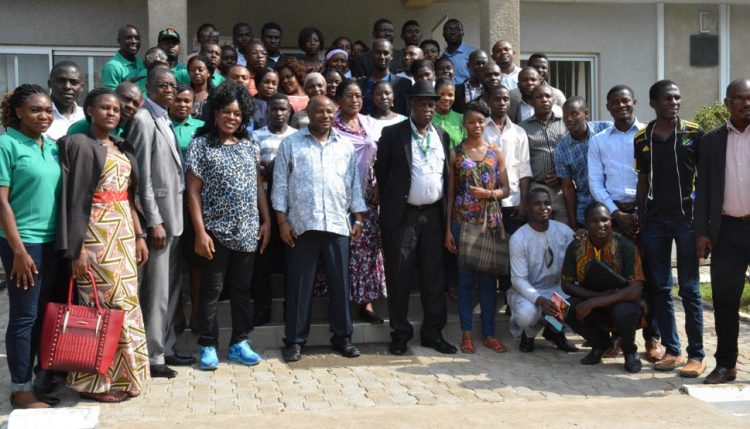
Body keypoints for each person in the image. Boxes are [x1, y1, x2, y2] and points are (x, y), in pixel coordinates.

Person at [57, 87, 150, 402]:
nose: (112, 113)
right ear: (89, 112)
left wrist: (139, 235)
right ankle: (95, 383)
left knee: (126, 305)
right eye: (105, 108)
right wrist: (77, 248)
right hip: (95, 237)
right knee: (101, 308)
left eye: (116, 109)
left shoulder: (122, 146)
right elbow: (72, 201)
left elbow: (129, 195)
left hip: (122, 233)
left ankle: (126, 378)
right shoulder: (77, 145)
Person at [272, 95, 366, 362]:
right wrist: (282, 221)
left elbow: (353, 184)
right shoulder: (290, 144)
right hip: (302, 226)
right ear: (308, 114)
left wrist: (358, 218)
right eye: (319, 111)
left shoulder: (345, 146)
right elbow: (279, 185)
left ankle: (343, 338)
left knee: (340, 285)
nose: (324, 116)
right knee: (300, 287)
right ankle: (294, 341)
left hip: (338, 224)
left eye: (329, 111)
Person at [185, 82, 271, 371]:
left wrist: (267, 220)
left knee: (241, 290)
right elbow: (192, 192)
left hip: (248, 231)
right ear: (215, 113)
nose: (231, 118)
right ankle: (208, 345)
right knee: (212, 290)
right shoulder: (201, 145)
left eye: (236, 114)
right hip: (214, 232)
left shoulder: (249, 146)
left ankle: (239, 343)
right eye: (226, 112)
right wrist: (199, 232)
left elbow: (258, 187)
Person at [375, 80, 457, 356]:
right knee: (399, 276)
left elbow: (447, 178)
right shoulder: (392, 134)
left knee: (434, 277)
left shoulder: (442, 136)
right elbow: (383, 176)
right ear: (410, 104)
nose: (427, 109)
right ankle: (400, 333)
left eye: (431, 104)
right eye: (421, 103)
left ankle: (433, 333)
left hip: (433, 215)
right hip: (403, 216)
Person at [588, 85, 662, 361]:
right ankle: (619, 338)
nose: (621, 106)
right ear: (608, 107)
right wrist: (616, 214)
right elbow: (595, 181)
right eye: (615, 103)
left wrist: (640, 214)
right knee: (615, 279)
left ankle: (653, 338)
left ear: (635, 102)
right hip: (613, 216)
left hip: (646, 214)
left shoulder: (649, 135)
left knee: (651, 277)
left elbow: (657, 176)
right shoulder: (599, 141)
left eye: (625, 101)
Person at [635, 80, 705, 376]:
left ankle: (696, 355)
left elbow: (706, 179)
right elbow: (642, 180)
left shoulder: (694, 133)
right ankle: (673, 350)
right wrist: (641, 219)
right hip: (655, 222)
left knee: (689, 288)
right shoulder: (642, 137)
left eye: (677, 98)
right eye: (667, 99)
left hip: (686, 220)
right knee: (661, 287)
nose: (674, 103)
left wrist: (704, 221)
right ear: (653, 103)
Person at [129, 66, 192, 379]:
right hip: (159, 223)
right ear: (149, 87)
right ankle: (153, 356)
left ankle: (167, 347)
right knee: (155, 292)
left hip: (175, 219)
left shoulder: (165, 117)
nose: (169, 90)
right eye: (162, 85)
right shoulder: (143, 119)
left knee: (171, 288)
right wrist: (152, 221)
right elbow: (141, 177)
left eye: (172, 85)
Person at [0, 84, 61, 409]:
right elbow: (1, 203)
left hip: (53, 244)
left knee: (42, 315)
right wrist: (19, 252)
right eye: (37, 110)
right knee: (24, 317)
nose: (44, 116)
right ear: (18, 111)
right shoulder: (6, 144)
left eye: (48, 110)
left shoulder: (50, 146)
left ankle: (38, 380)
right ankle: (21, 390)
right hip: (24, 245)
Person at [696, 78, 750, 384]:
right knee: (725, 301)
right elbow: (702, 189)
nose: (747, 103)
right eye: (740, 99)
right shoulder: (712, 141)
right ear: (727, 104)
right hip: (726, 231)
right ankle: (726, 364)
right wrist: (701, 232)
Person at [445, 100, 510, 354]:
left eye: (481, 121)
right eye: (471, 121)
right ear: (464, 124)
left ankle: (490, 334)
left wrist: (487, 193)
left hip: (490, 224)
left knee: (488, 281)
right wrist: (448, 229)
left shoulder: (496, 152)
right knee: (465, 281)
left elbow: (507, 190)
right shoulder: (456, 153)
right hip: (463, 223)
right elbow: (450, 194)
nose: (477, 126)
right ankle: (466, 334)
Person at [562, 202, 645, 373]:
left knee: (624, 312)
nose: (601, 225)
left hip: (621, 301)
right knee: (565, 308)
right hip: (592, 297)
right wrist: (592, 297)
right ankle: (599, 345)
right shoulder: (576, 247)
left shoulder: (626, 246)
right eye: (594, 221)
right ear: (585, 224)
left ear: (611, 222)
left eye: (605, 220)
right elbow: (566, 284)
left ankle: (630, 351)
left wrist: (593, 302)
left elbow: (635, 290)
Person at [334, 80, 387, 323]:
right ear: (339, 98)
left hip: (368, 195)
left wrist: (378, 185)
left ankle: (366, 303)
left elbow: (381, 156)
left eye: (358, 96)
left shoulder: (370, 123)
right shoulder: (331, 125)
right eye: (349, 95)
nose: (354, 100)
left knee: (367, 250)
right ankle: (341, 301)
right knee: (343, 248)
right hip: (339, 196)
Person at [507, 188, 577, 353]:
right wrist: (540, 300)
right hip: (529, 291)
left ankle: (554, 332)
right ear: (528, 208)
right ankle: (529, 335)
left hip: (557, 288)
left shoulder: (564, 231)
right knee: (526, 315)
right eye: (537, 204)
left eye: (547, 203)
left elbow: (576, 263)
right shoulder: (519, 238)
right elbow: (518, 279)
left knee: (579, 303)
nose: (543, 207)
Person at [250, 93, 297, 325]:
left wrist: (275, 168)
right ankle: (262, 309)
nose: (278, 113)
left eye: (283, 109)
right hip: (263, 204)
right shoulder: (255, 136)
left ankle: (292, 308)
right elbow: (255, 168)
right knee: (263, 260)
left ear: (290, 112)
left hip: (292, 204)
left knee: (292, 260)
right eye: (274, 109)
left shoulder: (297, 137)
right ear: (267, 111)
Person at [168, 84, 204, 328]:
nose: (182, 105)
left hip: (195, 201)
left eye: (187, 101)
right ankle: (177, 311)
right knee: (173, 262)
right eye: (178, 100)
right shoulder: (163, 125)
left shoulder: (201, 129)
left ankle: (197, 313)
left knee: (195, 262)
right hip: (169, 200)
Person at [554, 97, 611, 229]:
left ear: (586, 114)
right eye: (565, 116)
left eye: (574, 114)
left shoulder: (605, 129)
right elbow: (567, 187)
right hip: (585, 208)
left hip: (613, 203)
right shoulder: (561, 149)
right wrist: (573, 222)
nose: (569, 119)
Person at [483, 85, 531, 234]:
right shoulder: (480, 129)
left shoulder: (519, 132)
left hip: (513, 200)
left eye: (505, 99)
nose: (502, 102)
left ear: (510, 103)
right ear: (488, 101)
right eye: (497, 99)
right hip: (486, 199)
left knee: (512, 245)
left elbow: (524, 169)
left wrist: (523, 203)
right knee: (490, 249)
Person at [519, 84, 568, 224]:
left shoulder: (565, 124)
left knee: (563, 233)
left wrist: (560, 175)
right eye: (539, 97)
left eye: (548, 96)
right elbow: (522, 164)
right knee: (538, 232)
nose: (544, 100)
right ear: (532, 101)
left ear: (554, 100)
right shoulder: (522, 128)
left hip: (562, 190)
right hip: (536, 189)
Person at [66, 81, 143, 138]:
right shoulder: (81, 128)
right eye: (126, 99)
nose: (130, 106)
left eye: (135, 104)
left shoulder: (129, 130)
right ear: (114, 96)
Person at [358, 39, 400, 115]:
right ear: (371, 55)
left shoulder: (403, 83)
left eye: (386, 53)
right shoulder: (360, 84)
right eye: (378, 53)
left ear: (391, 56)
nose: (382, 57)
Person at [46, 61, 85, 141]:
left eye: (74, 82)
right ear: (50, 84)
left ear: (81, 87)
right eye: (61, 81)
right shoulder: (38, 117)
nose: (67, 87)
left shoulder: (86, 117)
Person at [101, 25, 145, 89]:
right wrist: (124, 87)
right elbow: (110, 96)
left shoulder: (142, 63)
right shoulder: (112, 67)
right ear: (119, 41)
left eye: (137, 38)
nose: (134, 41)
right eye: (129, 38)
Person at [227, 65, 267, 130]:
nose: (240, 80)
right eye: (235, 77)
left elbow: (263, 131)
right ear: (227, 79)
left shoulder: (261, 106)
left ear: (250, 81)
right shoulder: (218, 103)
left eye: (244, 78)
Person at [440, 19, 476, 85]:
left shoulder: (473, 53)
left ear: (462, 33)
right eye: (449, 29)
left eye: (456, 29)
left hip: (468, 93)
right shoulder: (442, 57)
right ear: (443, 34)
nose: (452, 32)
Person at [432, 79, 466, 148]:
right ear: (435, 94)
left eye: (450, 95)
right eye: (442, 94)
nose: (446, 98)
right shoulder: (427, 118)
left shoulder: (462, 119)